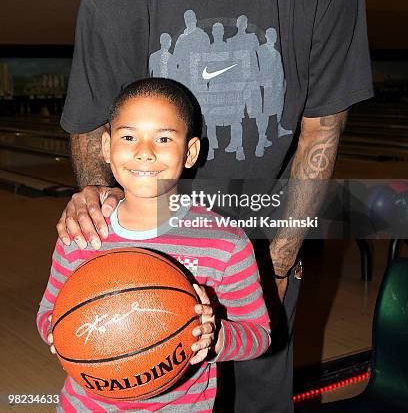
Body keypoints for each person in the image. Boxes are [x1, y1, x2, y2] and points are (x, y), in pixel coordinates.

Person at [57, 0, 374, 412]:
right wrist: (101, 216)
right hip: (157, 235)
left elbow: (320, 138)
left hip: (261, 224)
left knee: (259, 391)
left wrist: (278, 264)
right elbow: (93, 125)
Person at [37, 78, 271, 412]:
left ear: (190, 152)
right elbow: (48, 313)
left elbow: (258, 335)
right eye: (129, 136)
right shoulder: (83, 233)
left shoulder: (225, 243)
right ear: (106, 147)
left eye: (163, 138)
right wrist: (60, 333)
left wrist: (215, 336)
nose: (144, 151)